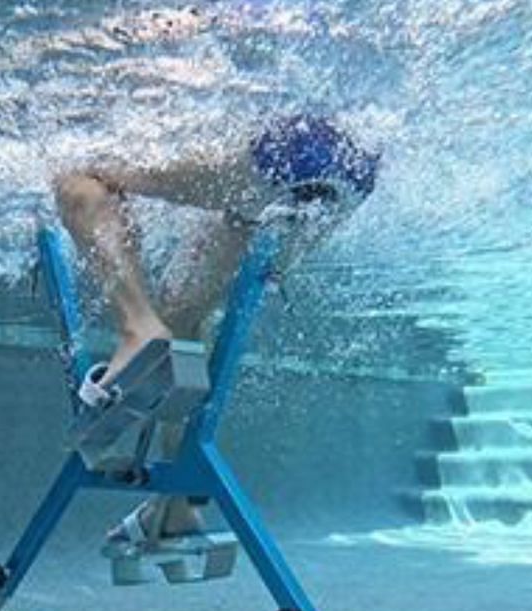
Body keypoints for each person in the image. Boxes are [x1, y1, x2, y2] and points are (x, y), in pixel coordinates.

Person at [51, 113, 379, 549]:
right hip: (350, 181)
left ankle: (136, 328)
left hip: (286, 149)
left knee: (81, 174)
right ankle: (179, 504)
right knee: (183, 313)